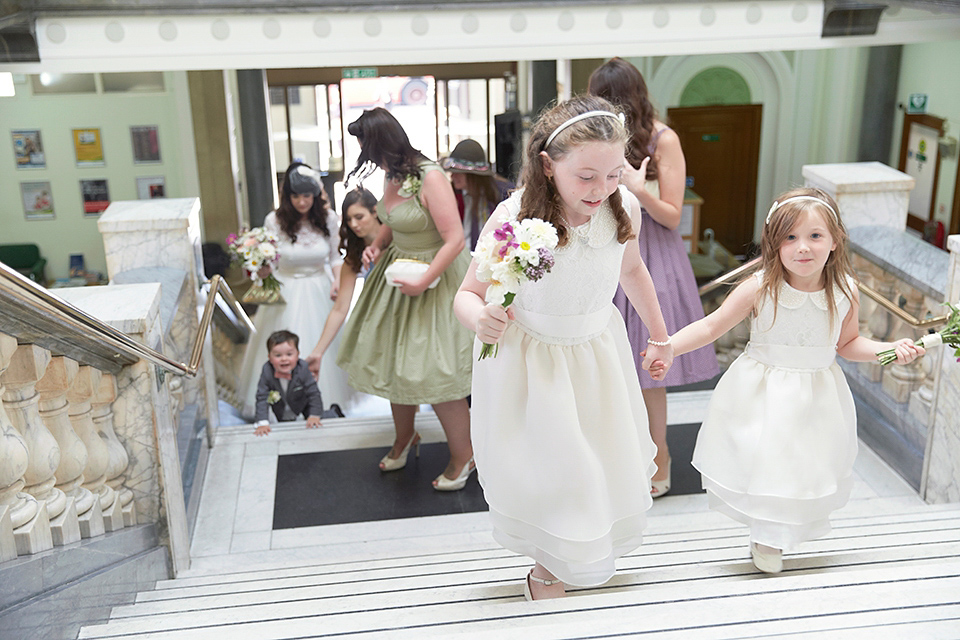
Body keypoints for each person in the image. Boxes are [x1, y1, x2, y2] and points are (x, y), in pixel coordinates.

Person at [454, 95, 675, 600]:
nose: (602, 189)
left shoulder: (625, 209)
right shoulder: (513, 218)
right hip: (534, 363)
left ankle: (588, 551)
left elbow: (633, 270)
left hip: (597, 354)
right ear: (549, 166)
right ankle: (548, 565)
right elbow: (467, 294)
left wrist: (659, 336)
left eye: (614, 174)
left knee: (599, 456)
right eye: (587, 176)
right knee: (553, 466)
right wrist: (482, 318)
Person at [660, 188, 925, 573]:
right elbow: (712, 325)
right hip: (762, 392)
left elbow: (848, 343)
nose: (803, 247)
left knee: (802, 465)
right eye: (791, 237)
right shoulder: (760, 286)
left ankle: (779, 531)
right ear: (775, 243)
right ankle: (767, 538)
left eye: (815, 236)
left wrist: (889, 348)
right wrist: (668, 348)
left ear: (834, 241)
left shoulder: (845, 291)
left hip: (816, 394)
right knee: (769, 463)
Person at [588, 57, 720, 498]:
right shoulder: (593, 138)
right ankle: (619, 460)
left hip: (651, 255)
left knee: (649, 371)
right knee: (606, 371)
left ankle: (659, 457)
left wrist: (639, 189)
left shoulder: (664, 139)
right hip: (603, 251)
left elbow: (672, 216)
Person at [325, 108, 474, 491]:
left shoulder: (431, 176)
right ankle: (405, 437)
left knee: (436, 372)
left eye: (363, 144)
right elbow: (392, 223)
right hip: (398, 274)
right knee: (394, 365)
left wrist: (426, 279)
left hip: (435, 278)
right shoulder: (392, 174)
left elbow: (454, 238)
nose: (362, 152)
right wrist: (376, 245)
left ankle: (465, 454)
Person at [238, 162, 354, 420]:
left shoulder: (329, 218)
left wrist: (337, 281)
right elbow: (266, 263)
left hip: (319, 288)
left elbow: (336, 257)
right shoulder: (274, 221)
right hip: (286, 290)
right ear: (287, 197)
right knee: (283, 346)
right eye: (295, 196)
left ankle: (321, 402)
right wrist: (260, 268)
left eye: (307, 196)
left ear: (316, 195)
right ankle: (281, 403)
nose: (302, 202)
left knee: (320, 343)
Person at [306, 187, 382, 382]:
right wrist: (318, 352)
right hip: (380, 322)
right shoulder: (354, 256)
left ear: (375, 211)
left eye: (359, 216)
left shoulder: (397, 243)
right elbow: (340, 308)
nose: (354, 224)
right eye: (348, 220)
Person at [441, 138, 514, 250]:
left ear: (472, 175)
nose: (452, 176)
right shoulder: (453, 194)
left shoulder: (504, 193)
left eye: (458, 173)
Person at [253, 330, 326, 437]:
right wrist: (262, 422)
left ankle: (332, 412)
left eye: (289, 354)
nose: (284, 359)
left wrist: (314, 415)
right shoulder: (267, 370)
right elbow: (262, 397)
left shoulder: (303, 368)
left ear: (297, 354)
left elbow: (313, 393)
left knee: (314, 425)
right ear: (269, 358)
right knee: (284, 430)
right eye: (278, 355)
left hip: (302, 401)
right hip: (281, 406)